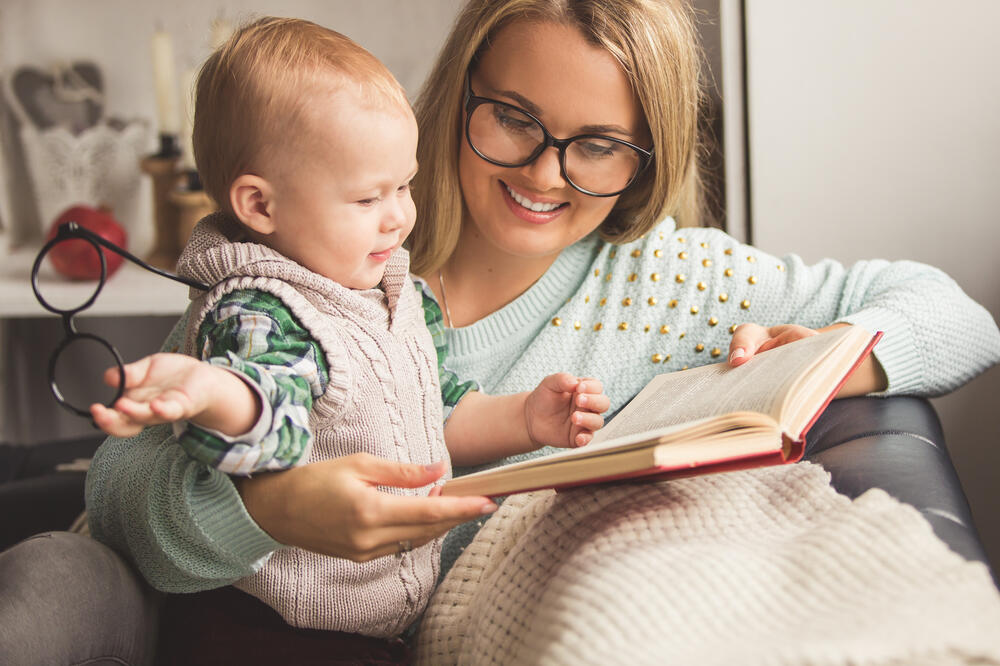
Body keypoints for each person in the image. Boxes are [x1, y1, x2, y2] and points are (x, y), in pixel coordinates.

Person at [2, 0, 998, 663]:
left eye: (597, 143)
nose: (546, 173)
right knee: (65, 582)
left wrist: (837, 359)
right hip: (215, 607)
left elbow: (954, 313)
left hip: (382, 633)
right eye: (513, 118)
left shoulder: (669, 278)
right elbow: (123, 494)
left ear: (643, 158)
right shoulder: (320, 251)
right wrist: (270, 510)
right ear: (457, 99)